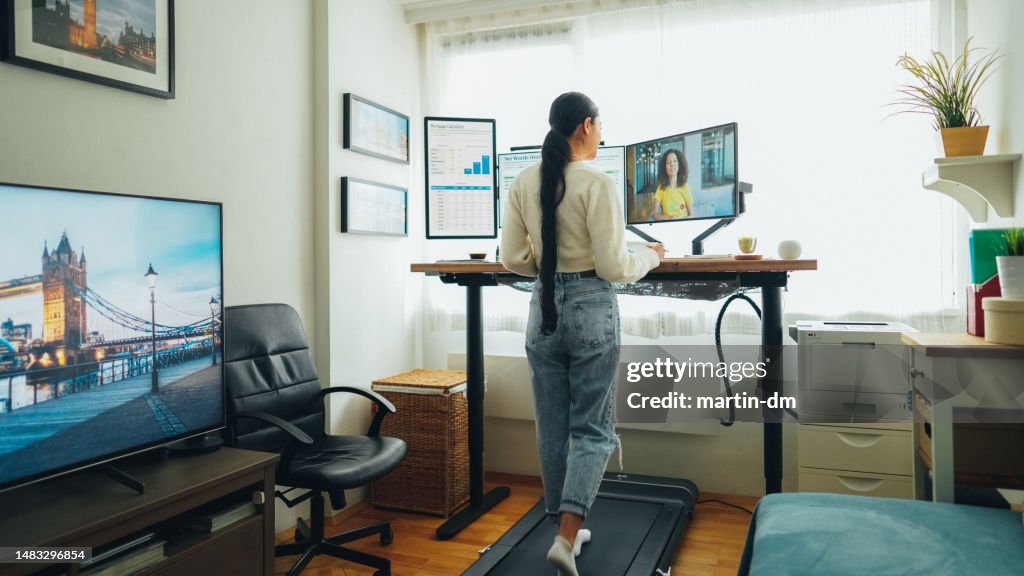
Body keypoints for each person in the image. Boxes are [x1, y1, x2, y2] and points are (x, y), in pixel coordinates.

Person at [500, 92, 665, 576]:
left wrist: (549, 266)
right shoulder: (598, 181)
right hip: (592, 308)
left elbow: (513, 259)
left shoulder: (524, 179)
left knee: (552, 427)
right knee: (592, 428)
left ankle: (561, 530)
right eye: (600, 125)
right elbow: (615, 266)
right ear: (587, 127)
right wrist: (653, 254)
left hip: (543, 307)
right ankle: (567, 536)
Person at [649, 148, 693, 220]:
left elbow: (691, 215)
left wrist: (679, 221)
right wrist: (667, 217)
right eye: (668, 162)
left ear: (679, 165)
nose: (672, 164)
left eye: (675, 161)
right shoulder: (661, 188)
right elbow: (654, 214)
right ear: (664, 167)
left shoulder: (685, 187)